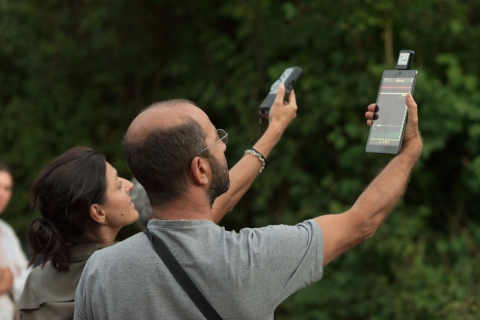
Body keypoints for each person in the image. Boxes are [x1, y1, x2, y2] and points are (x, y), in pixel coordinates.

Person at [74, 83, 422, 319]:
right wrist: (410, 149)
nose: (224, 146)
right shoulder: (252, 259)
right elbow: (362, 221)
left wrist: (272, 133)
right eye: (217, 140)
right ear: (200, 170)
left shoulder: (101, 272)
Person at [18, 93, 296, 319]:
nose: (129, 184)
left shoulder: (34, 284)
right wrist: (275, 130)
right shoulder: (117, 272)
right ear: (98, 213)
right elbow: (224, 199)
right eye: (117, 184)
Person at [0, 162, 30, 319]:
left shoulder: (7, 231)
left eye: (7, 188)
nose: (2, 194)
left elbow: (27, 277)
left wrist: (10, 282)